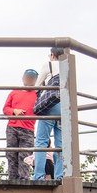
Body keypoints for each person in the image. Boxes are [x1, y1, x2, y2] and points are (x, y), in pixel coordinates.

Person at [33, 46, 66, 180]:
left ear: (52, 55)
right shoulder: (66, 67)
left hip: (50, 105)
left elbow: (37, 85)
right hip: (63, 107)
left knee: (41, 141)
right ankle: (59, 176)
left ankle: (39, 176)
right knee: (60, 144)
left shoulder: (49, 65)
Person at [3, 68, 39, 180]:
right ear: (23, 78)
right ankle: (12, 179)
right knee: (11, 154)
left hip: (28, 129)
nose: (29, 80)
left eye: (32, 78)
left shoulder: (38, 94)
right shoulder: (14, 92)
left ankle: (24, 179)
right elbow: (5, 109)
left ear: (35, 80)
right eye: (28, 77)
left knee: (25, 156)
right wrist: (14, 111)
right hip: (12, 127)